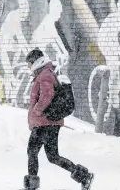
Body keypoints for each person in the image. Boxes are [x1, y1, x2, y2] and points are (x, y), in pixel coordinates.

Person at [23, 48, 94, 190]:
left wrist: (37, 111)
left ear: (36, 61)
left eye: (30, 63)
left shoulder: (45, 75)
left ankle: (31, 186)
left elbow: (46, 96)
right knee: (53, 156)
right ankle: (84, 176)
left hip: (45, 123)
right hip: (47, 123)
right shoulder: (44, 74)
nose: (29, 67)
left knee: (32, 151)